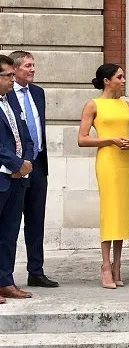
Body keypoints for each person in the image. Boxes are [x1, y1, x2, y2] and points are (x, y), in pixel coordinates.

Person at [77, 64, 129, 289]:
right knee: (109, 212)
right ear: (106, 80)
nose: (123, 80)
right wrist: (109, 140)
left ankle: (118, 265)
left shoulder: (127, 106)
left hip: (127, 161)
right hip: (108, 162)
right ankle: (105, 266)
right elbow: (82, 139)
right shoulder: (93, 105)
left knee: (122, 213)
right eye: (119, 77)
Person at [7, 51, 58, 288]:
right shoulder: (6, 96)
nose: (33, 69)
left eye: (33, 65)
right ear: (15, 70)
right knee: (11, 221)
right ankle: (5, 275)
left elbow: (37, 128)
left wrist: (35, 159)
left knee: (36, 220)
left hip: (37, 164)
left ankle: (36, 271)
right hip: (13, 168)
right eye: (28, 66)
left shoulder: (38, 93)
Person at [0, 55, 34, 302]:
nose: (13, 80)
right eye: (8, 76)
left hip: (18, 178)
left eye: (13, 75)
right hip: (3, 175)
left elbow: (24, 133)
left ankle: (5, 281)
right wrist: (16, 164)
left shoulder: (10, 101)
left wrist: (27, 162)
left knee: (10, 233)